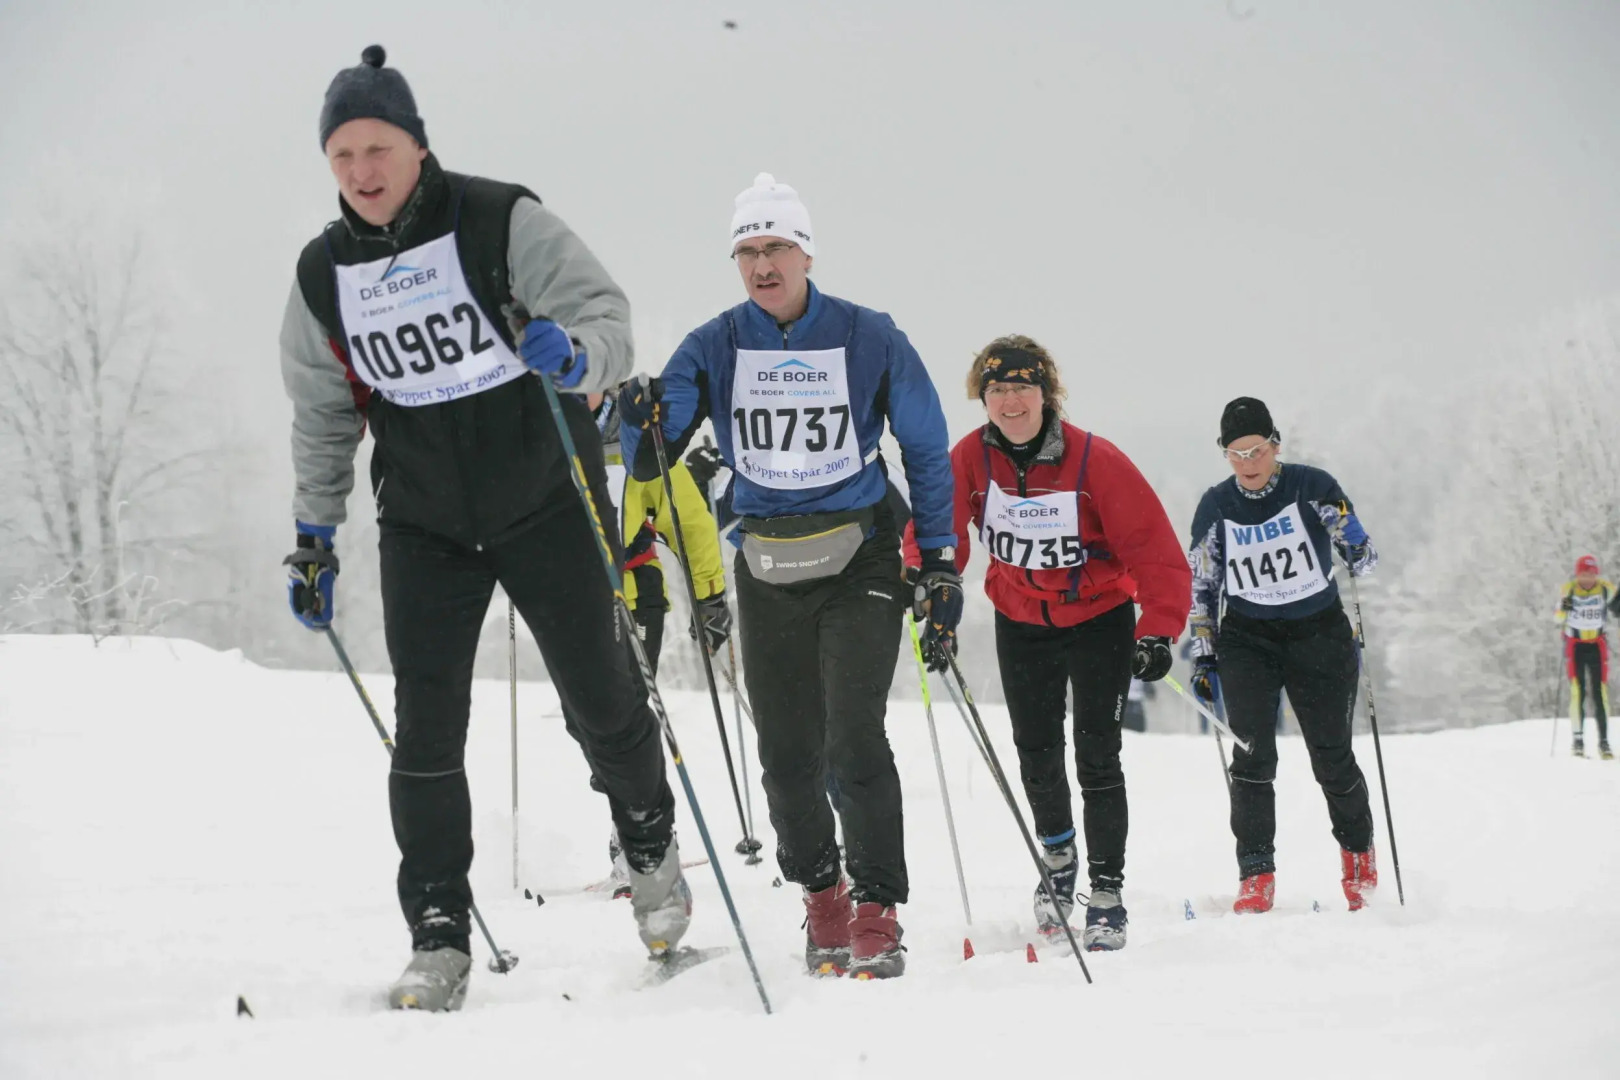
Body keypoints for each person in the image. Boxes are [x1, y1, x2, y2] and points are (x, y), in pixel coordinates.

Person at [278, 47, 688, 1011]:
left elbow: (605, 317)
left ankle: (650, 844)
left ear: (417, 147)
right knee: (425, 727)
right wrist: (313, 533)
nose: (362, 172)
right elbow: (322, 414)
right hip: (423, 519)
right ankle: (436, 929)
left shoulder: (500, 218)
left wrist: (575, 352)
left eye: (378, 147)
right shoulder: (322, 274)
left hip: (544, 495)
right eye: (341, 156)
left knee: (598, 691)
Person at [618, 173, 958, 979]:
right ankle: (823, 894)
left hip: (862, 553)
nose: (763, 264)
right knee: (786, 753)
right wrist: (638, 424)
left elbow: (926, 443)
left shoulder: (869, 335)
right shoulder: (714, 344)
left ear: (806, 251)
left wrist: (938, 559)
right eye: (748, 251)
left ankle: (877, 906)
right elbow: (652, 456)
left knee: (851, 736)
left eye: (776, 247)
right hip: (769, 561)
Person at [933, 336, 1190, 951]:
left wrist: (1156, 628)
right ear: (983, 398)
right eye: (997, 390)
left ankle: (1105, 891)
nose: (1010, 401)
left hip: (1098, 617)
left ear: (1047, 394)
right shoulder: (969, 457)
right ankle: (1056, 859)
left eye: (1022, 388)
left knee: (1097, 755)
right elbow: (940, 533)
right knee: (1036, 751)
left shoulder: (1095, 461)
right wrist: (935, 591)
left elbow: (1152, 548)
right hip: (1020, 619)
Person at [1186, 397, 1380, 914]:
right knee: (1250, 756)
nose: (1247, 464)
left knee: (1331, 754)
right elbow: (1202, 583)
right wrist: (1204, 653)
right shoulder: (1216, 506)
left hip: (1318, 633)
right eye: (1235, 453)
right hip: (1249, 639)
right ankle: (1256, 873)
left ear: (1275, 445)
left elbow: (1364, 557)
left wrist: (1356, 543)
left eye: (1256, 450)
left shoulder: (1311, 486)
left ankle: (1358, 856)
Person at [592, 391, 729, 898]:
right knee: (583, 719)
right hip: (572, 598)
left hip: (634, 593)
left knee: (623, 716)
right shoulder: (545, 432)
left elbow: (689, 522)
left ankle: (637, 840)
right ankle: (626, 810)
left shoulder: (636, 442)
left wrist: (709, 596)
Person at [1556, 554, 1617, 759]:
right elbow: (1557, 617)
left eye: (1591, 574)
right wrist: (1562, 610)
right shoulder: (1570, 589)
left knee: (1600, 693)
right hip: (1576, 647)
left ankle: (1604, 742)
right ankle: (1578, 741)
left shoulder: (1605, 588)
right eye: (1584, 574)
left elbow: (1616, 607)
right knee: (1578, 692)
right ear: (1577, 573)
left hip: (1597, 646)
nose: (1587, 578)